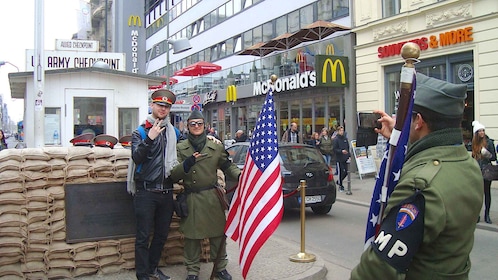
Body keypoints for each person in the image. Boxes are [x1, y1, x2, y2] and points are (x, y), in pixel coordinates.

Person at [351, 73, 483, 279]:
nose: (401, 122)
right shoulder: (469, 165)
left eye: (407, 118)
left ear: (418, 121)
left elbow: (377, 269)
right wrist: (399, 138)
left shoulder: (420, 185)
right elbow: (430, 159)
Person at [170, 110, 241, 280]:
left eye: (199, 124)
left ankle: (220, 268)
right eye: (192, 124)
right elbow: (173, 174)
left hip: (212, 197)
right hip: (192, 197)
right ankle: (193, 271)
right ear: (188, 126)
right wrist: (187, 164)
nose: (196, 127)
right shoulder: (181, 148)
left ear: (205, 126)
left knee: (218, 234)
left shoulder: (215, 146)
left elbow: (227, 166)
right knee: (192, 238)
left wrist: (240, 175)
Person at [131, 89, 179, 280]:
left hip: (166, 192)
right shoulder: (141, 131)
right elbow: (136, 157)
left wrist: (208, 138)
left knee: (161, 235)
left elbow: (187, 146)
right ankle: (142, 274)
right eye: (160, 105)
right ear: (152, 105)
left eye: (167, 106)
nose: (163, 109)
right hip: (146, 192)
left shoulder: (173, 132)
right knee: (143, 237)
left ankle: (152, 268)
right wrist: (149, 138)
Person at [471, 120, 496, 224]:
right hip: (477, 171)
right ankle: (477, 215)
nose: (482, 133)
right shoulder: (474, 144)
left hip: (486, 171)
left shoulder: (489, 142)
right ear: (476, 133)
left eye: (483, 130)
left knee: (487, 193)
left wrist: (486, 153)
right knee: (478, 195)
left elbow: (493, 157)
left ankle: (487, 215)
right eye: (480, 131)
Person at [333, 126, 350, 191]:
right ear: (338, 131)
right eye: (340, 131)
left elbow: (347, 148)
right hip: (339, 158)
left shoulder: (345, 139)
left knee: (346, 171)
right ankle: (340, 185)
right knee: (340, 172)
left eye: (342, 131)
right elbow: (334, 149)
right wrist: (341, 151)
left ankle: (339, 181)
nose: (341, 132)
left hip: (345, 158)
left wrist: (349, 156)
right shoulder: (336, 139)